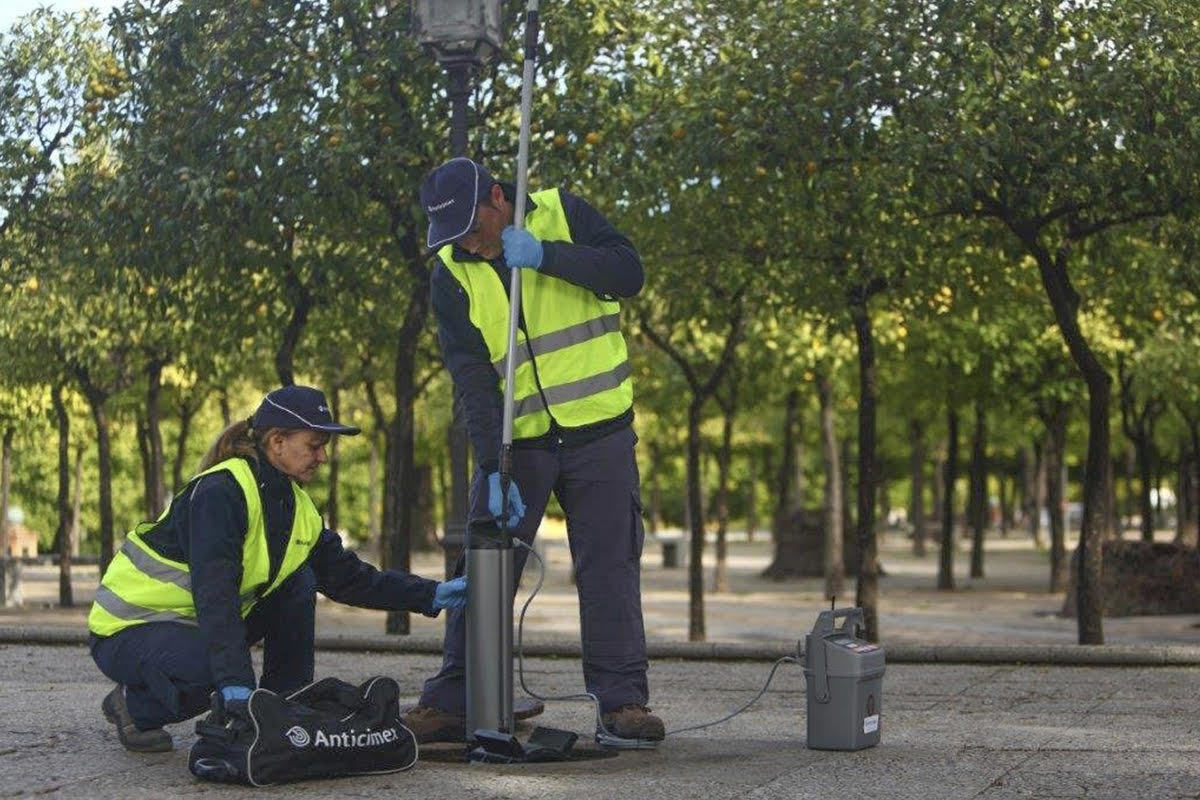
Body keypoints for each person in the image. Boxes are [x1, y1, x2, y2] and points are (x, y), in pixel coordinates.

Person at [404, 157, 663, 745]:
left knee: (609, 566)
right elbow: (471, 375)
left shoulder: (562, 214)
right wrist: (491, 467)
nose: (468, 243)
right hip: (518, 443)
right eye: (453, 236)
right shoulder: (452, 271)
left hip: (599, 429)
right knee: (486, 562)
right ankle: (456, 697)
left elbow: (628, 272)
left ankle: (622, 704)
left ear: (498, 198)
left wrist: (548, 255)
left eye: (473, 228)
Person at [88, 385, 467, 753]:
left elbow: (352, 580)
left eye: (324, 448)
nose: (322, 458)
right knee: (212, 670)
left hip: (190, 623)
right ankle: (132, 707)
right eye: (314, 446)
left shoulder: (296, 508)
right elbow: (216, 595)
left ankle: (285, 707)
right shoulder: (221, 492)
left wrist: (432, 593)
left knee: (299, 580)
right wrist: (235, 686)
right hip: (130, 628)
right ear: (278, 441)